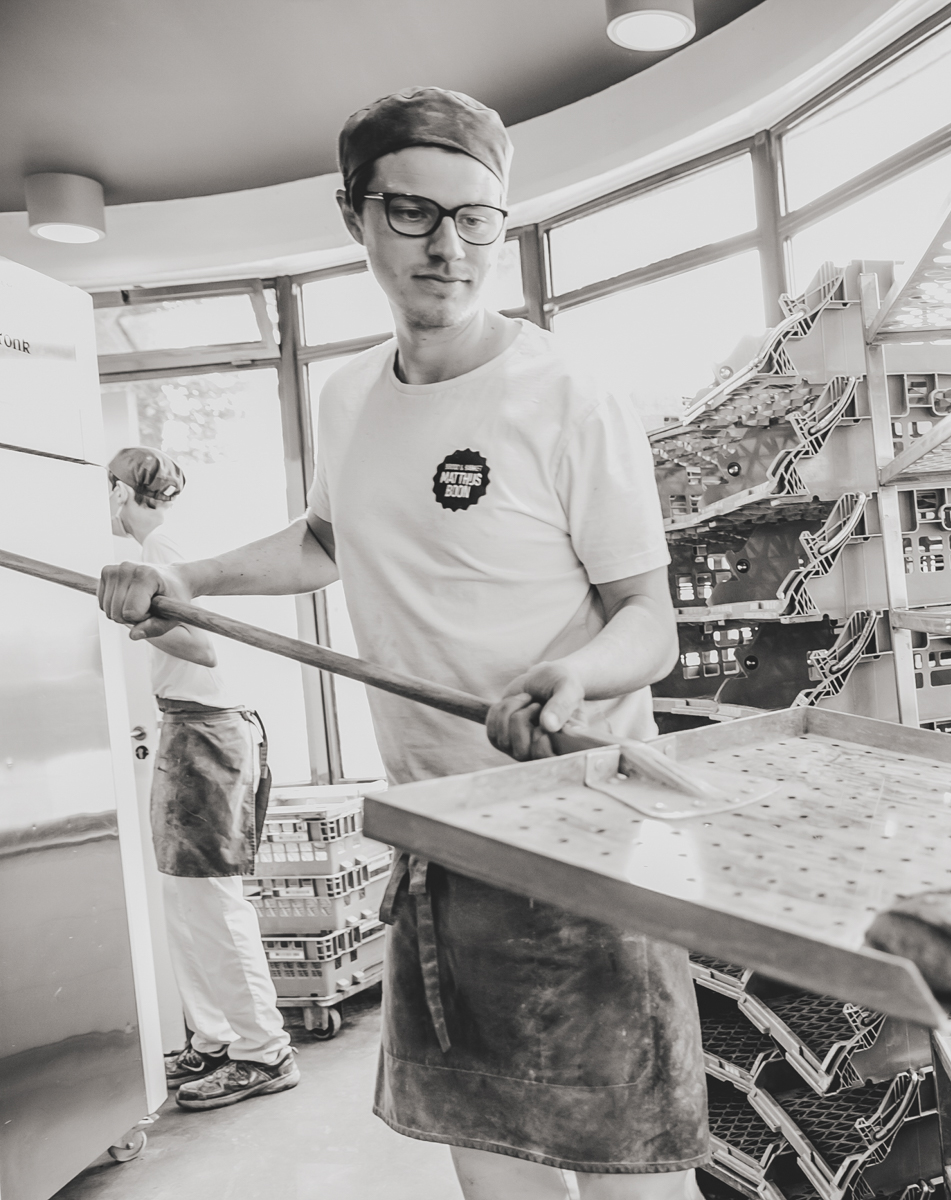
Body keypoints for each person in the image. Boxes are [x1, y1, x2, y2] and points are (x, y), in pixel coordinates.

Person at [98, 88, 705, 1200]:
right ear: (356, 216)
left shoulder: (569, 392)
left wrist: (575, 671)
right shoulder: (344, 397)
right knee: (493, 1159)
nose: (447, 246)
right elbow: (329, 538)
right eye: (414, 213)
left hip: (590, 836)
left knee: (629, 1171)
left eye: (477, 219)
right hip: (441, 840)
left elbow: (650, 621)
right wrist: (187, 578)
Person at [106, 446, 297, 1110]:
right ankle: (214, 1039)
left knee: (212, 901)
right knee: (186, 900)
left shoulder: (165, 548)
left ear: (120, 492)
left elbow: (204, 644)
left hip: (210, 730)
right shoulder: (167, 543)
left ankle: (263, 1051)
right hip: (191, 726)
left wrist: (138, 625)